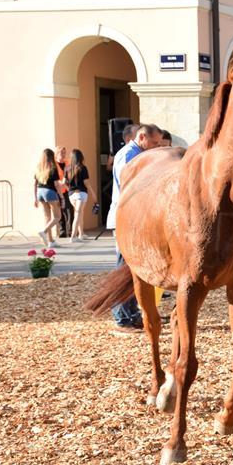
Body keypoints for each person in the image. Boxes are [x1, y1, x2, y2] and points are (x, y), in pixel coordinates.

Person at [107, 123, 163, 332]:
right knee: (124, 269)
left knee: (133, 269)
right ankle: (122, 316)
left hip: (132, 218)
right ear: (141, 138)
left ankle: (131, 314)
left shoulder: (136, 154)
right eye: (154, 143)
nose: (156, 147)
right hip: (126, 219)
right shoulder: (128, 155)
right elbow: (130, 185)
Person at [33, 148, 63, 248]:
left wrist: (35, 198)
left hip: (40, 192)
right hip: (50, 192)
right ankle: (44, 232)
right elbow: (56, 184)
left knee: (47, 218)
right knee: (57, 217)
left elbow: (35, 184)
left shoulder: (38, 168)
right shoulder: (52, 167)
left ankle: (50, 241)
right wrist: (61, 197)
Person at [65, 148, 97, 242]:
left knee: (80, 213)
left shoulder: (67, 168)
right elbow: (86, 183)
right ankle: (73, 236)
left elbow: (64, 182)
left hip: (71, 195)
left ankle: (81, 234)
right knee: (78, 214)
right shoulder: (82, 168)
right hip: (81, 194)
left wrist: (70, 190)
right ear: (81, 157)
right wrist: (93, 194)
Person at [55, 146, 73, 238]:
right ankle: (62, 231)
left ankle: (70, 231)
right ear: (57, 154)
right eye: (61, 153)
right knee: (59, 211)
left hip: (66, 190)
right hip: (57, 191)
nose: (63, 154)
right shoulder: (54, 164)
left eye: (64, 153)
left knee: (69, 210)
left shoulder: (67, 163)